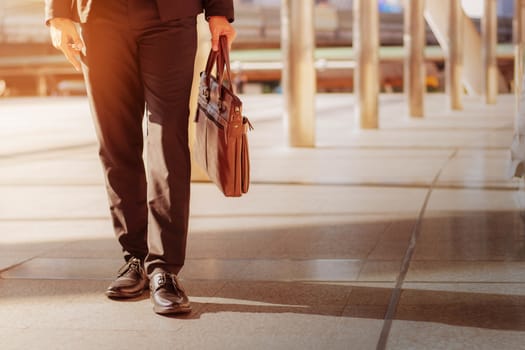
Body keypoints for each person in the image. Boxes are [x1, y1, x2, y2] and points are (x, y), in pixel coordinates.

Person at [44, 0, 236, 315]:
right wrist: (57, 14)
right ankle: (134, 257)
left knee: (168, 139)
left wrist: (218, 10)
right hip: (100, 17)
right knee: (114, 139)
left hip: (171, 16)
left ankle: (164, 268)